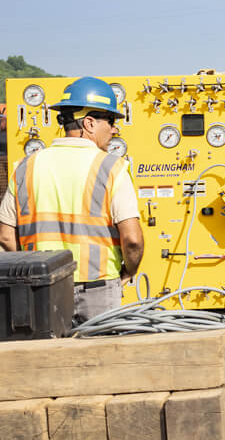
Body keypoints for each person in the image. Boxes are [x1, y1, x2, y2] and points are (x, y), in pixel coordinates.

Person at [0, 77, 144, 324]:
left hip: (41, 290)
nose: (114, 129)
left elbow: (5, 237)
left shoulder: (24, 168)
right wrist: (128, 271)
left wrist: (36, 271)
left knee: (49, 360)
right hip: (99, 290)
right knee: (101, 359)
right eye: (110, 121)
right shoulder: (112, 168)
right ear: (89, 123)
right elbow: (132, 240)